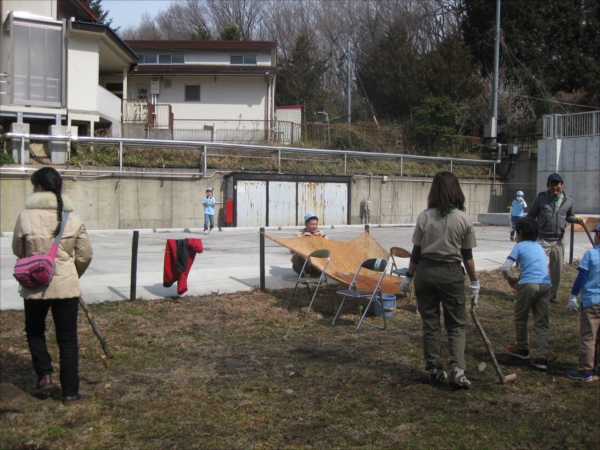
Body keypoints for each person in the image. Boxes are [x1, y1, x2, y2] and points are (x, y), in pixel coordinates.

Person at [12, 167, 93, 406]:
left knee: (35, 331)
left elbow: (18, 250)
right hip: (66, 286)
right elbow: (85, 254)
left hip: (34, 285)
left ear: (37, 187)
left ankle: (44, 374)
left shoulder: (25, 216)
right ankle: (70, 393)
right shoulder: (74, 217)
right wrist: (71, 274)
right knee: (67, 339)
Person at [401, 172, 479, 389]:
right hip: (451, 274)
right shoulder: (463, 219)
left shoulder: (425, 217)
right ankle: (457, 369)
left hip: (425, 273)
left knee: (431, 323)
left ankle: (434, 369)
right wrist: (474, 281)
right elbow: (468, 256)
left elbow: (416, 252)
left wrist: (408, 277)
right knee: (455, 324)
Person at [502, 217, 552, 371]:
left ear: (520, 233)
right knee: (542, 322)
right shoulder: (540, 248)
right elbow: (545, 265)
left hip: (527, 285)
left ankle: (523, 348)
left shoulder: (519, 246)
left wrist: (510, 279)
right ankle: (542, 357)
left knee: (521, 317)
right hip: (545, 285)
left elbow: (505, 267)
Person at [527, 173, 583, 304]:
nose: (555, 188)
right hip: (542, 239)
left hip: (558, 240)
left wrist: (575, 219)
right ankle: (535, 293)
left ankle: (552, 296)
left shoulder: (568, 200)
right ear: (548, 186)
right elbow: (530, 216)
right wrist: (527, 234)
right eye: (552, 185)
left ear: (562, 185)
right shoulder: (541, 198)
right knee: (538, 267)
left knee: (557, 270)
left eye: (557, 185)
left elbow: (569, 216)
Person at [566, 223, 600, 381]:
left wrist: (573, 295)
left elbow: (582, 277)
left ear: (598, 235)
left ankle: (585, 370)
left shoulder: (591, 255)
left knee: (588, 336)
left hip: (592, 302)